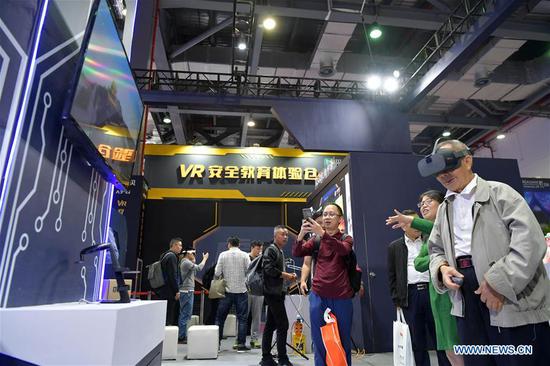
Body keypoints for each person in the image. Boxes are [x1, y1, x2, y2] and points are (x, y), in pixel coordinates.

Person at [426, 139, 550, 366]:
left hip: (511, 297)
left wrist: (499, 282)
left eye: (449, 166)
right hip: (465, 298)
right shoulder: (445, 208)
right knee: (478, 359)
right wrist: (442, 268)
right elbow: (435, 249)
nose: (444, 175)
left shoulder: (500, 193)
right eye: (438, 171)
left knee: (517, 358)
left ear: (467, 160)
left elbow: (530, 242)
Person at [387, 191, 463, 366]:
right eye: (421, 203)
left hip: (448, 291)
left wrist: (442, 259)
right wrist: (438, 260)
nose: (424, 206)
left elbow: (438, 228)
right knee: (430, 341)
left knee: (450, 341)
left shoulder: (450, 223)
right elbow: (416, 265)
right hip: (420, 294)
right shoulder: (398, 246)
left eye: (429, 201)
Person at [293, 203, 354, 366]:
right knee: (319, 342)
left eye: (331, 214)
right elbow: (298, 252)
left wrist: (323, 234)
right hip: (319, 296)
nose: (327, 217)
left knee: (342, 340)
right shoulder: (316, 240)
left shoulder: (346, 239)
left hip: (342, 297)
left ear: (340, 219)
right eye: (325, 214)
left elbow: (343, 250)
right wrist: (300, 235)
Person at [387, 209, 445, 366]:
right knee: (417, 339)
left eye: (417, 221)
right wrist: (396, 299)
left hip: (432, 292)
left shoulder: (430, 240)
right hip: (410, 295)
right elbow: (392, 275)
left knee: (440, 336)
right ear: (403, 226)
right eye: (411, 222)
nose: (416, 226)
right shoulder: (394, 247)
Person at [261, 225, 297, 366]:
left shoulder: (278, 250)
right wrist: (286, 275)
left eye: (287, 234)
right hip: (272, 293)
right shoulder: (271, 249)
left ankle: (266, 358)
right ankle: (282, 359)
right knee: (283, 324)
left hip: (276, 292)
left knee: (270, 325)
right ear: (275, 235)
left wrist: (286, 277)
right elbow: (268, 269)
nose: (286, 237)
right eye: (283, 234)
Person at [215, 236, 251, 352]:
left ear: (229, 244)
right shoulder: (245, 255)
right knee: (242, 319)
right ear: (239, 244)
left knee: (220, 319)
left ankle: (216, 344)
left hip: (227, 291)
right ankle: (241, 345)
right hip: (241, 291)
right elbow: (250, 272)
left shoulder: (223, 255)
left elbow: (217, 272)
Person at [178, 244, 209, 344]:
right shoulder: (186, 262)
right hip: (186, 291)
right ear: (188, 253)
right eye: (193, 253)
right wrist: (204, 259)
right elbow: (199, 268)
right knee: (185, 314)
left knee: (186, 314)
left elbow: (194, 269)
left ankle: (182, 335)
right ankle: (181, 337)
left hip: (187, 290)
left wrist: (194, 259)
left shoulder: (186, 261)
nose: (195, 255)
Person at [156, 237, 182, 325]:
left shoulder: (164, 255)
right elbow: (172, 275)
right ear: (174, 245)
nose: (181, 248)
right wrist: (177, 291)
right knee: (169, 316)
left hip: (162, 289)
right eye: (180, 245)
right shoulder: (172, 256)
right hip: (169, 291)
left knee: (164, 315)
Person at [298, 210, 324, 295]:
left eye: (325, 222)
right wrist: (302, 281)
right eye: (319, 223)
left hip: (338, 286)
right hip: (319, 286)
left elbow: (348, 260)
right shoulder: (313, 242)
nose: (322, 225)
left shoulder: (339, 239)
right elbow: (306, 263)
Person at [248, 240, 264, 349]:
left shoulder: (263, 259)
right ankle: (239, 339)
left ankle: (254, 339)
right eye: (258, 248)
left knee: (257, 317)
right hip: (246, 291)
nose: (259, 251)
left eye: (261, 249)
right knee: (243, 316)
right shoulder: (245, 258)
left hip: (259, 291)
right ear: (252, 247)